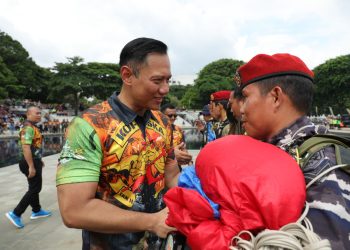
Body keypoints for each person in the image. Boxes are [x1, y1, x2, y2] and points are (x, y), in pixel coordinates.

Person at [56, 38, 179, 250]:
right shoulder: (88, 126)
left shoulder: (163, 122)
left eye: (168, 80)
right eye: (157, 80)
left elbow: (172, 176)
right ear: (127, 75)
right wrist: (153, 221)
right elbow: (74, 210)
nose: (165, 89)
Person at [235, 53, 350, 249]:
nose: (241, 109)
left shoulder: (322, 162)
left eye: (245, 97)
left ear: (276, 97)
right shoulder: (275, 151)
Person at [6, 105, 51, 229]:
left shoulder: (32, 127)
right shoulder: (28, 128)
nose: (39, 115)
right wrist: (31, 166)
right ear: (28, 114)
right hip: (28, 162)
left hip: (33, 160)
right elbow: (26, 147)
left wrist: (39, 160)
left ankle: (36, 210)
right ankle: (16, 213)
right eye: (36, 113)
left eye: (39, 113)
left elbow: (33, 146)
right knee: (35, 189)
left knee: (33, 187)